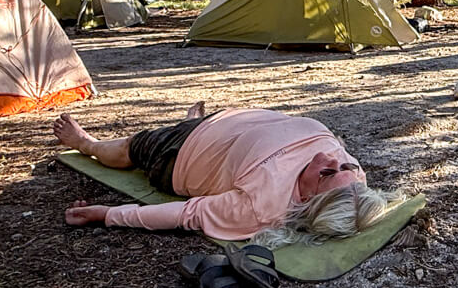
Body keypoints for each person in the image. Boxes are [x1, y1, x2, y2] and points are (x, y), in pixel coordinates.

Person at [54, 102, 398, 246]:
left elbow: (187, 214)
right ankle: (193, 118)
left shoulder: (262, 206)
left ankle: (88, 144)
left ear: (308, 199)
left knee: (131, 147)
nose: (332, 157)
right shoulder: (354, 183)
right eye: (345, 166)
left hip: (179, 153)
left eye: (327, 172)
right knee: (199, 122)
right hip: (230, 121)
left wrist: (109, 215)